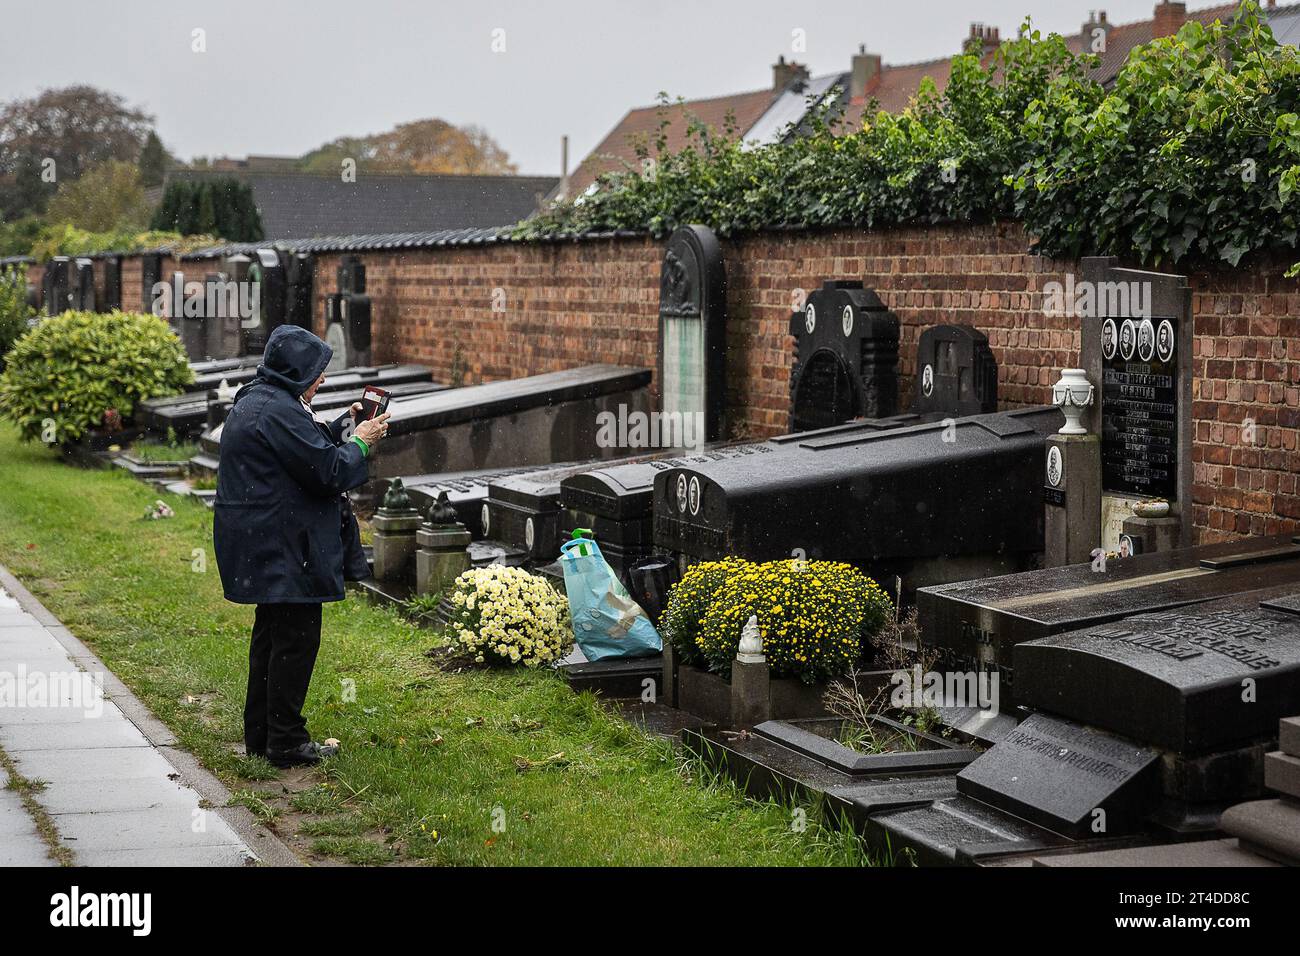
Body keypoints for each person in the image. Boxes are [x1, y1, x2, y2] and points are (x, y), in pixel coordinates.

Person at [213, 325, 390, 768]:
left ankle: (263, 736)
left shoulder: (262, 400)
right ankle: (287, 742)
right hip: (287, 548)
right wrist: (362, 445)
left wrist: (347, 425)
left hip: (268, 544)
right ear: (296, 372)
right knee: (294, 641)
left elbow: (302, 450)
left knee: (272, 638)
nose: (323, 380)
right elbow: (327, 471)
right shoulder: (280, 411)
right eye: (317, 372)